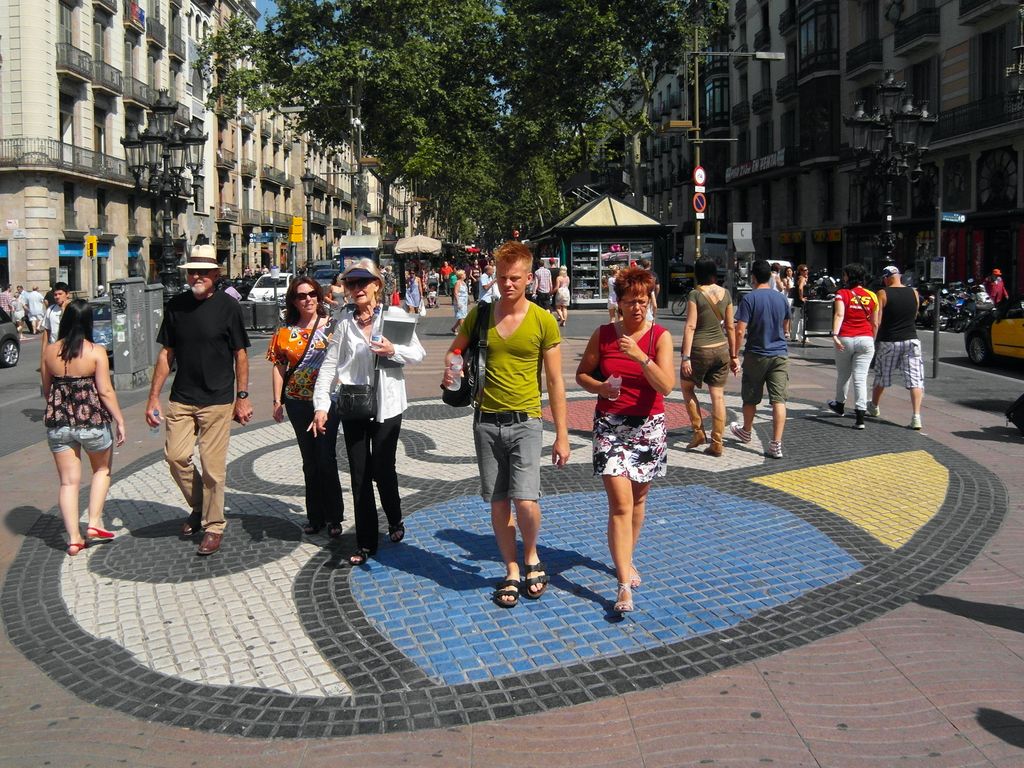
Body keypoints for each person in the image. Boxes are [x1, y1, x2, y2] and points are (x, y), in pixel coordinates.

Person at [443, 240, 570, 609]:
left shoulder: (543, 320)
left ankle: (531, 555)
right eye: (502, 277)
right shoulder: (481, 315)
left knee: (526, 500)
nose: (508, 284)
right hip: (485, 421)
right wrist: (455, 369)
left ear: (530, 278)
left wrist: (562, 434)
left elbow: (556, 382)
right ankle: (511, 568)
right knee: (498, 503)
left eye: (515, 278)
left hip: (527, 421)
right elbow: (455, 348)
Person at [312, 259, 425, 565]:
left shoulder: (394, 316)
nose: (358, 288)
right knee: (360, 475)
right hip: (354, 405)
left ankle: (395, 518)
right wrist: (321, 406)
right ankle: (365, 542)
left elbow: (417, 352)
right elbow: (329, 366)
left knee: (382, 470)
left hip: (388, 406)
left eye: (364, 282)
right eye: (352, 284)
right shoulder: (343, 322)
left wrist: (393, 351)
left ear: (377, 285)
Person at [575, 266, 674, 614]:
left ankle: (628, 557)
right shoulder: (603, 335)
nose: (637, 308)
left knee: (638, 501)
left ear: (650, 301)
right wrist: (601, 386)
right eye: (631, 301)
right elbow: (582, 374)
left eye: (642, 301)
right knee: (620, 504)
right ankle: (621, 585)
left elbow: (666, 386)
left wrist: (640, 357)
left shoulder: (659, 337)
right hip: (610, 426)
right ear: (618, 302)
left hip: (648, 427)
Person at [145, 245, 253, 557]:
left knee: (212, 467)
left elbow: (241, 354)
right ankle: (201, 505)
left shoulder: (228, 307)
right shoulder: (176, 306)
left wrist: (242, 397)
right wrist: (153, 397)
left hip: (218, 399)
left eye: (203, 272)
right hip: (182, 397)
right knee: (176, 457)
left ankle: (214, 524)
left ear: (216, 275)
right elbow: (167, 354)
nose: (196, 277)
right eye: (192, 271)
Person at [41, 299, 126, 555]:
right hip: (91, 421)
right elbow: (106, 391)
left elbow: (47, 390)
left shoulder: (49, 352)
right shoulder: (95, 351)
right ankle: (94, 522)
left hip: (59, 423)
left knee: (68, 483)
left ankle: (74, 539)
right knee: (101, 470)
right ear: (89, 322)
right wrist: (120, 420)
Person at [267, 277, 343, 536]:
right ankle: (315, 516)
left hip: (327, 400)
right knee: (309, 460)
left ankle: (334, 516)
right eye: (301, 296)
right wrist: (277, 401)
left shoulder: (334, 327)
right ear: (294, 301)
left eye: (312, 293)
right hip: (297, 401)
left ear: (319, 296)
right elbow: (278, 367)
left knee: (326, 456)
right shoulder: (285, 331)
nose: (308, 299)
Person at [730, 259, 791, 459]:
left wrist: (734, 355)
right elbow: (785, 325)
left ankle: (746, 431)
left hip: (756, 354)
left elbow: (740, 330)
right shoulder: (781, 298)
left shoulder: (749, 299)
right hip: (780, 354)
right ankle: (776, 444)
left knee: (750, 396)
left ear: (753, 277)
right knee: (778, 400)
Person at [680, 259, 738, 457]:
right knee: (718, 396)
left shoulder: (695, 294)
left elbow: (690, 326)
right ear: (714, 274)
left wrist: (685, 357)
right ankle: (717, 442)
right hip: (721, 350)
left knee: (687, 388)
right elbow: (731, 327)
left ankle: (698, 432)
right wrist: (734, 355)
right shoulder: (726, 294)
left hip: (699, 350)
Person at [869, 265, 925, 430]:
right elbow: (914, 315)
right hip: (911, 339)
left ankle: (874, 406)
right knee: (915, 379)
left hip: (889, 340)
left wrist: (873, 341)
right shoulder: (914, 292)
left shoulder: (883, 293)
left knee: (882, 376)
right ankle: (916, 417)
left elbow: (877, 321)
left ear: (887, 278)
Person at [827, 262, 879, 430]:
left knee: (843, 374)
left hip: (845, 338)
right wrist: (872, 339)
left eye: (845, 275)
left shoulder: (842, 293)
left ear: (849, 277)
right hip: (866, 339)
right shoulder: (872, 296)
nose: (843, 278)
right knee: (861, 378)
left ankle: (840, 404)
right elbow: (875, 322)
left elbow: (839, 313)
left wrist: (834, 334)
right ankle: (860, 416)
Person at [790, 264, 809, 344]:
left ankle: (794, 336)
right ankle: (803, 336)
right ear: (800, 271)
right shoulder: (802, 278)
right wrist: (801, 298)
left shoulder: (799, 278)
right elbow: (801, 288)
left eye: (807, 270)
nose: (806, 271)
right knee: (802, 319)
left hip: (797, 301)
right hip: (801, 301)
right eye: (804, 270)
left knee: (797, 318)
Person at [451, 268, 469, 335]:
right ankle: (463, 332)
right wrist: (458, 302)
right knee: (461, 316)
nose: (465, 275)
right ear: (461, 275)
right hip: (460, 301)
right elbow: (455, 293)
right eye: (464, 274)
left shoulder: (463, 282)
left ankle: (454, 328)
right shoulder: (458, 282)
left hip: (464, 301)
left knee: (462, 315)